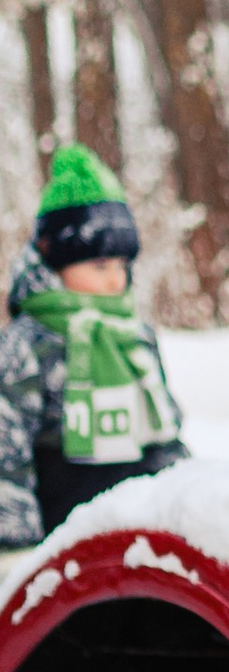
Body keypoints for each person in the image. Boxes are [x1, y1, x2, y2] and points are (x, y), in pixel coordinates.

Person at [0, 141, 185, 549]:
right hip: (58, 542)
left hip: (141, 538)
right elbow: (6, 449)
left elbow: (164, 434)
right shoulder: (29, 344)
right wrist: (14, 546)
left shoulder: (134, 337)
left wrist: (186, 509)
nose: (116, 280)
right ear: (55, 262)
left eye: (122, 266)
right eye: (100, 266)